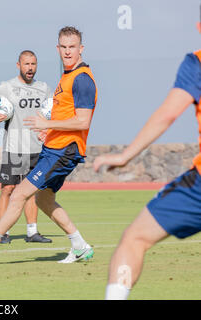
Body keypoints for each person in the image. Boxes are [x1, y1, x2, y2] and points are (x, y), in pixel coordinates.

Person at [0, 26, 97, 263]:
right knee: (43, 199)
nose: (67, 51)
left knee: (19, 194)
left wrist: (47, 122)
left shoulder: (82, 80)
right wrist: (49, 129)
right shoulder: (66, 76)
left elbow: (83, 121)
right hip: (52, 146)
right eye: (63, 47)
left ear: (81, 48)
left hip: (64, 150)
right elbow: (66, 115)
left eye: (72, 47)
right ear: (57, 48)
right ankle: (80, 245)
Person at [93, 14, 201, 300]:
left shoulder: (197, 62)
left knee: (135, 238)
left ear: (199, 27)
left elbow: (168, 114)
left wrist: (126, 155)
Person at [0, 50, 52, 244]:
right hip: (14, 148)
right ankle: (3, 233)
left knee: (32, 191)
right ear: (18, 65)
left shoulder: (44, 88)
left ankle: (32, 232)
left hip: (37, 148)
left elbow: (55, 110)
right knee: (8, 189)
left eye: (33, 64)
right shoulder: (7, 87)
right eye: (27, 64)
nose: (30, 68)